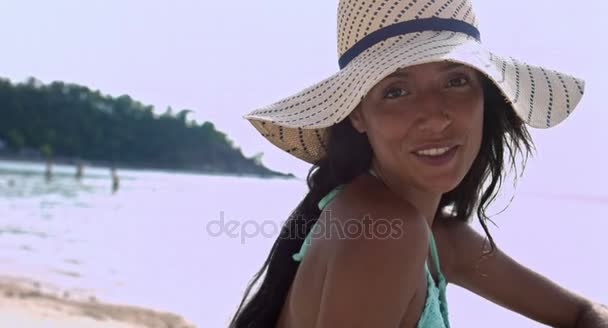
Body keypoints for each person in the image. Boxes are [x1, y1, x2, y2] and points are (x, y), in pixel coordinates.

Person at [231, 0, 608, 327]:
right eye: (396, 91)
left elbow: (583, 313)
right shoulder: (387, 232)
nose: (434, 117)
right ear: (357, 115)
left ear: (484, 96)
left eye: (456, 81)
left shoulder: (434, 237)